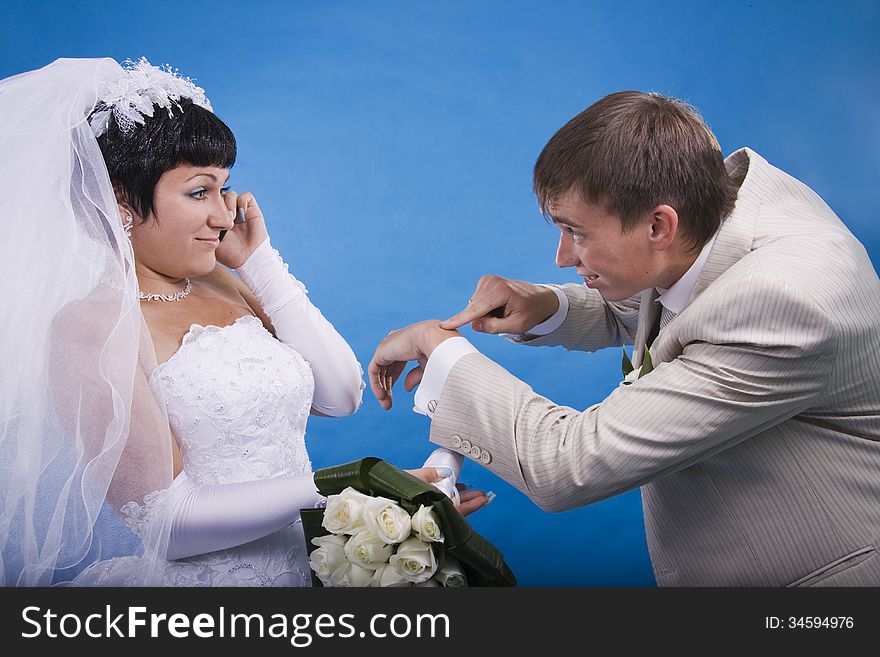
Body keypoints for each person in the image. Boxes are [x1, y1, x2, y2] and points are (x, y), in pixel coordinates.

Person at [0, 57, 484, 587]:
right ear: (120, 201)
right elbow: (169, 523)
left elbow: (341, 396)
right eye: (198, 191)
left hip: (302, 572)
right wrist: (356, 491)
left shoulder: (226, 283)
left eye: (223, 189)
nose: (224, 214)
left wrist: (261, 262)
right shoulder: (90, 327)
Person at [368, 91, 880, 586]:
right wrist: (549, 305)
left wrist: (441, 350)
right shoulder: (723, 207)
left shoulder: (785, 303)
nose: (562, 257)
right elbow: (681, 304)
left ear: (659, 225)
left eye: (577, 232)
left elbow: (566, 463)